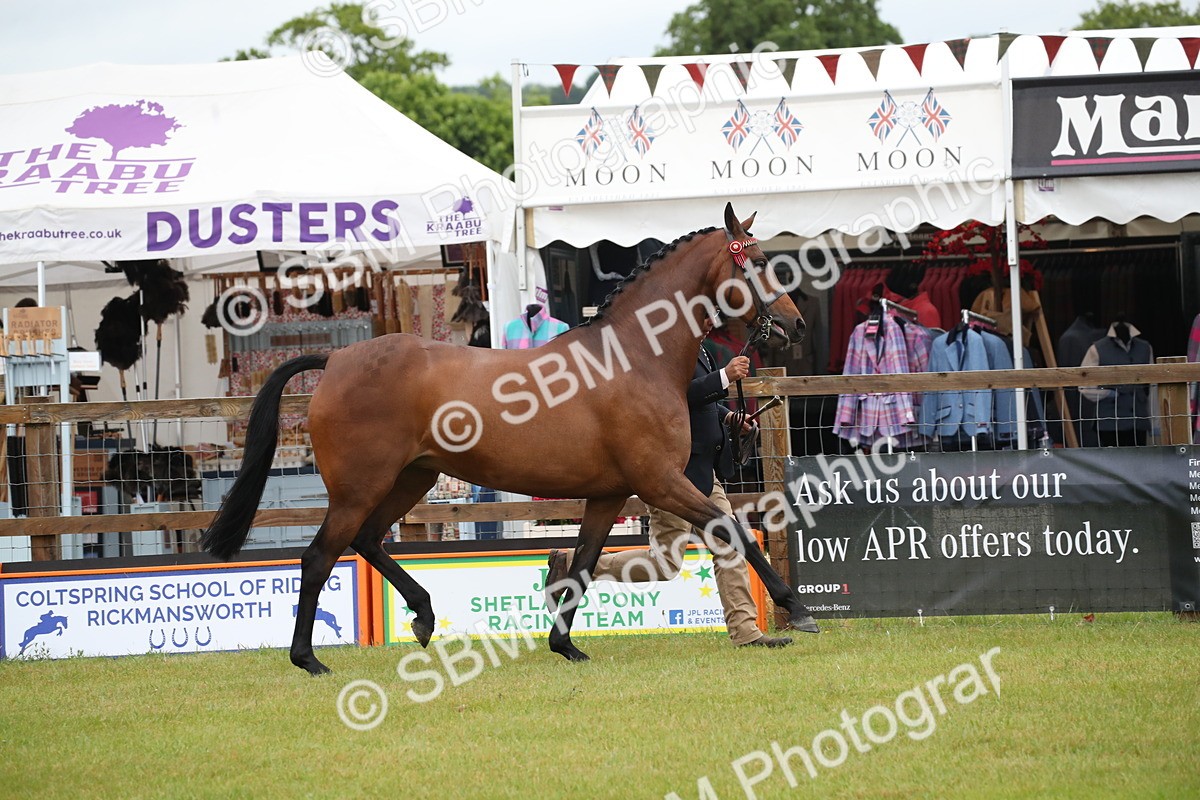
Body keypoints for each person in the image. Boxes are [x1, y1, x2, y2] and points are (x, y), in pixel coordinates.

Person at [545, 317, 793, 649]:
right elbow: (672, 397)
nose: (711, 323)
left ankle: (746, 633)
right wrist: (724, 377)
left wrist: (727, 417)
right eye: (704, 317)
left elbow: (698, 403)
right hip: (670, 476)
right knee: (665, 565)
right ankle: (574, 563)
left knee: (730, 546)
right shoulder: (663, 349)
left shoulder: (700, 348)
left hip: (704, 471)